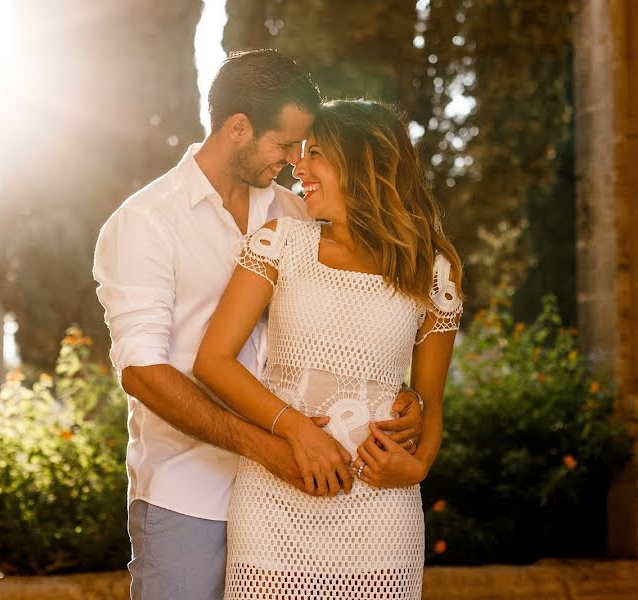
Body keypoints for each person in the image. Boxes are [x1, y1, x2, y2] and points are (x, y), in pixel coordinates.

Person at [93, 51, 423, 599]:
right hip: (188, 493)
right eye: (285, 143)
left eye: (305, 146)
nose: (296, 160)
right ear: (237, 129)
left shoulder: (294, 215)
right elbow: (143, 372)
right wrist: (277, 441)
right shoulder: (145, 223)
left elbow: (349, 320)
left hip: (292, 494)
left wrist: (393, 396)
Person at [193, 98, 464, 599]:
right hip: (277, 497)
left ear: (366, 162)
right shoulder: (280, 243)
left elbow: (430, 404)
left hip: (381, 511)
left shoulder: (432, 270)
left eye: (315, 152)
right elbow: (212, 361)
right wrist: (296, 431)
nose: (298, 166)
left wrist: (419, 465)